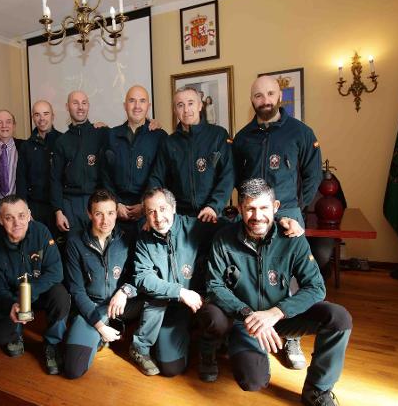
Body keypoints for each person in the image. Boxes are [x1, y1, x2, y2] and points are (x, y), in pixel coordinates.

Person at [203, 178, 351, 406]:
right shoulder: (223, 239)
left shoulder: (292, 238)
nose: (257, 215)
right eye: (250, 208)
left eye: (263, 208)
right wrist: (246, 313)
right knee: (253, 381)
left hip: (281, 315)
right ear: (240, 208)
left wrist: (277, 312)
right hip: (245, 321)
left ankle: (317, 391)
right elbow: (214, 286)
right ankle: (231, 343)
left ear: (275, 207)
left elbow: (316, 287)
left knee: (339, 318)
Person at [233, 75, 323, 369]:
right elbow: (234, 177)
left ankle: (291, 335)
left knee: (292, 280)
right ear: (252, 100)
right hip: (252, 216)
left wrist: (296, 208)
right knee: (253, 274)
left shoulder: (301, 133)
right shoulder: (244, 136)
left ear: (279, 96)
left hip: (287, 215)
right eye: (259, 95)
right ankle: (251, 330)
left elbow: (313, 176)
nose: (265, 100)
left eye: (270, 93)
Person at [128, 187, 219, 377]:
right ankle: (178, 335)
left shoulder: (195, 226)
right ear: (145, 215)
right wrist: (180, 292)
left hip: (201, 301)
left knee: (216, 318)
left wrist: (282, 222)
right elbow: (143, 278)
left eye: (162, 209)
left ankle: (209, 347)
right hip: (172, 305)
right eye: (151, 212)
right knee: (171, 368)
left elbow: (238, 226)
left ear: (174, 208)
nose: (158, 217)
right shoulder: (144, 238)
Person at [0, 195, 70, 375]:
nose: (17, 222)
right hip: (12, 299)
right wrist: (13, 304)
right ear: (0, 219)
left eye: (21, 216)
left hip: (38, 293)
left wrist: (27, 295)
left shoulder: (41, 232)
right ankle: (17, 333)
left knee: (61, 294)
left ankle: (52, 343)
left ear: (29, 215)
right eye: (9, 218)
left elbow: (56, 272)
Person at [64, 189, 143, 379]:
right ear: (89, 214)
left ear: (116, 213)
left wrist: (125, 291)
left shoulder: (127, 237)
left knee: (153, 300)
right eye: (98, 214)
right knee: (73, 369)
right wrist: (99, 326)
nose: (105, 220)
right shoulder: (75, 242)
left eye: (110, 213)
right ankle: (101, 332)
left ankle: (129, 338)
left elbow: (140, 274)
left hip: (121, 303)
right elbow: (77, 291)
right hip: (92, 308)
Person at [148, 86, 234, 223]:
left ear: (200, 106)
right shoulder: (169, 143)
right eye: (180, 105)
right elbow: (157, 178)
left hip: (214, 215)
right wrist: (155, 208)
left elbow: (228, 175)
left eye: (190, 103)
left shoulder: (218, 135)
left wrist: (213, 206)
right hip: (181, 219)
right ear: (175, 111)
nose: (186, 110)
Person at [100, 85, 167, 239]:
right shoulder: (111, 135)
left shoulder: (159, 136)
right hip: (116, 212)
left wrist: (144, 205)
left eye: (142, 101)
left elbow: (160, 175)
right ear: (125, 105)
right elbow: (105, 175)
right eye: (132, 101)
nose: (137, 106)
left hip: (148, 213)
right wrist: (115, 204)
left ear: (148, 106)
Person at [50, 91, 106, 234]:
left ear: (88, 106)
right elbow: (55, 179)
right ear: (67, 106)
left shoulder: (102, 133)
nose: (80, 107)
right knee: (74, 247)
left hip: (97, 201)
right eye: (75, 103)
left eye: (84, 103)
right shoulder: (61, 142)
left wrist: (151, 122)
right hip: (70, 204)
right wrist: (58, 211)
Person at [16, 100, 62, 233]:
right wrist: (24, 210)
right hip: (34, 207)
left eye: (46, 114)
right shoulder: (26, 146)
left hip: (58, 207)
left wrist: (61, 210)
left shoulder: (63, 141)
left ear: (53, 116)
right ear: (33, 118)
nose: (42, 118)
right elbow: (21, 179)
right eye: (37, 114)